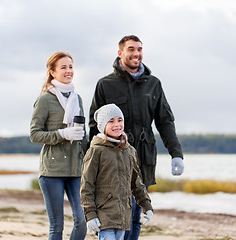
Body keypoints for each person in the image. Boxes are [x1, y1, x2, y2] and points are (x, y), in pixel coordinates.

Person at [89, 35, 184, 240]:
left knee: (134, 216)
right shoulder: (105, 84)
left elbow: (165, 122)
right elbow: (93, 125)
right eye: (131, 49)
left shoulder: (153, 84)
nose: (136, 53)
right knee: (114, 212)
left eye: (139, 49)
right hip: (110, 159)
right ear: (120, 53)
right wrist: (89, 160)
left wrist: (176, 154)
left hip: (143, 157)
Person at [30, 51, 87, 240]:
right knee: (57, 226)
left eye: (71, 66)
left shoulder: (77, 98)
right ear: (53, 72)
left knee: (82, 220)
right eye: (63, 67)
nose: (68, 70)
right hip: (51, 171)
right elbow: (34, 134)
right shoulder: (45, 100)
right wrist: (62, 134)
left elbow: (83, 136)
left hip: (76, 170)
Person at [81, 103, 153, 240]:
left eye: (119, 120)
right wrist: (90, 214)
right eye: (111, 121)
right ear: (103, 125)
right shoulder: (96, 151)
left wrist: (147, 206)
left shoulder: (129, 151)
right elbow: (86, 185)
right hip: (104, 215)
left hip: (124, 215)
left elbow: (136, 184)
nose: (117, 125)